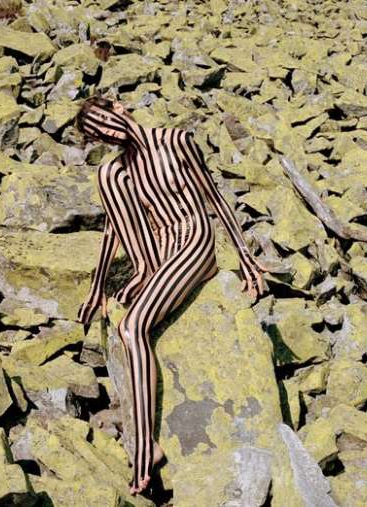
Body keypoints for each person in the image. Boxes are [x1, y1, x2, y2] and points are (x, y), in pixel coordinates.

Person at [74, 94, 268, 495]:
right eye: (99, 134)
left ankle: (145, 446)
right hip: (160, 249)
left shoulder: (175, 141)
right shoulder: (120, 169)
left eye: (106, 121)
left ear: (119, 107)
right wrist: (97, 286)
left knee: (132, 327)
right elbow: (113, 227)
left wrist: (246, 259)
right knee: (107, 175)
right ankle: (144, 269)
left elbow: (215, 199)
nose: (109, 134)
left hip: (194, 239)